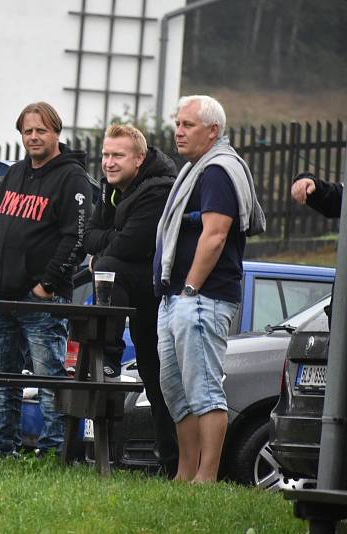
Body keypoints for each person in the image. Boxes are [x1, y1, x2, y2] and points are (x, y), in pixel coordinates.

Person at [154, 95, 265, 482]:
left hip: (201, 297)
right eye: (178, 123)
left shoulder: (218, 170)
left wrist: (189, 288)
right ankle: (185, 475)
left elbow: (215, 236)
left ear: (212, 131)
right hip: (177, 298)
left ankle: (206, 477)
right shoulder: (194, 170)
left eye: (188, 125)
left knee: (203, 389)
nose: (178, 131)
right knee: (176, 391)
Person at [0, 102, 92, 456]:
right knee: (4, 381)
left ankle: (51, 455)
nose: (34, 137)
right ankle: (3, 450)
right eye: (28, 131)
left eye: (41, 130)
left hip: (42, 301)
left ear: (56, 132)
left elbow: (75, 239)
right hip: (2, 296)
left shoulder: (72, 177)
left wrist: (45, 286)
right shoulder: (14, 173)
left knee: (49, 381)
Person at [84, 123, 178, 473]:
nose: (108, 162)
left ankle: (173, 463)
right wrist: (110, 242)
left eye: (117, 155)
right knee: (109, 263)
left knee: (159, 383)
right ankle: (169, 463)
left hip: (158, 298)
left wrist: (105, 249)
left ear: (139, 158)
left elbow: (129, 245)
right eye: (106, 154)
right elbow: (89, 236)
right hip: (136, 290)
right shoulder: (113, 189)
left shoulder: (158, 190)